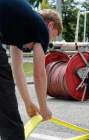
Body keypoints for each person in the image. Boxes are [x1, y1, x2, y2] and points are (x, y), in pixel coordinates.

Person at [0, 0, 63, 139]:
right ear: (50, 25)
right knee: (10, 115)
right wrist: (43, 107)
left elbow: (17, 69)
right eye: (53, 35)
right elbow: (39, 73)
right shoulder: (41, 29)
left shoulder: (18, 23)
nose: (49, 41)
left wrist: (28, 103)